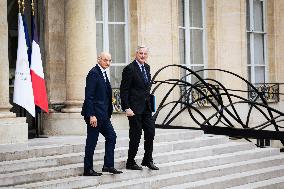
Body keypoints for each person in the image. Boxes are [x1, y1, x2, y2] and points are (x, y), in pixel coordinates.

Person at [81, 52, 123, 176]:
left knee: (112, 136)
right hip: (95, 115)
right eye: (105, 60)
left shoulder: (103, 73)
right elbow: (89, 96)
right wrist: (91, 115)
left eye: (110, 61)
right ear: (99, 59)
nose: (108, 63)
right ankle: (88, 169)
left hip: (104, 115)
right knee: (92, 142)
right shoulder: (93, 73)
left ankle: (108, 165)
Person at [120, 46, 159, 170]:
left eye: (145, 54)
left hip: (146, 108)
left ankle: (147, 160)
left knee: (150, 132)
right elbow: (124, 90)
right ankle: (130, 162)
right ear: (136, 54)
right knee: (136, 136)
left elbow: (145, 87)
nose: (143, 55)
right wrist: (126, 108)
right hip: (134, 109)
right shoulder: (129, 69)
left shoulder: (147, 67)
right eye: (140, 53)